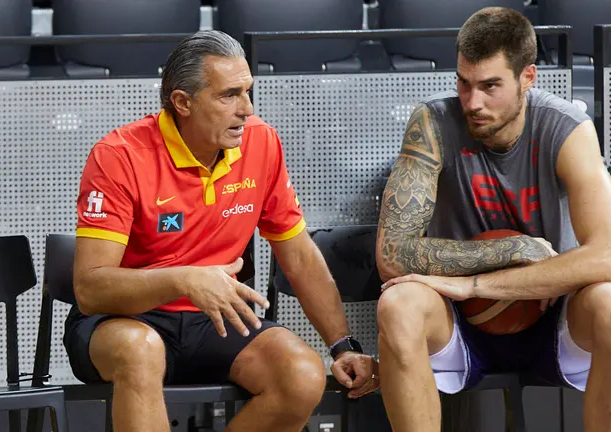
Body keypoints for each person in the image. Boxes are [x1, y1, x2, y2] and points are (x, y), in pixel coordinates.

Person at [65, 30, 379, 432]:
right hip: (122, 320)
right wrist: (184, 278)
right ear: (183, 102)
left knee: (301, 374)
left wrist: (342, 345)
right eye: (228, 95)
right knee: (139, 350)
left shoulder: (261, 143)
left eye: (248, 92)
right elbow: (90, 291)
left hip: (213, 319)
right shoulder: (119, 156)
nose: (246, 109)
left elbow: (298, 256)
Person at [375, 7, 611, 432]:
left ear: (527, 78)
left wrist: (476, 285)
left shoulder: (567, 128)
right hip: (458, 321)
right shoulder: (432, 122)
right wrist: (512, 249)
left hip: (551, 314)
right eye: (463, 83)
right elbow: (392, 254)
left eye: (490, 86)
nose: (473, 102)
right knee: (398, 304)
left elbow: (610, 259)